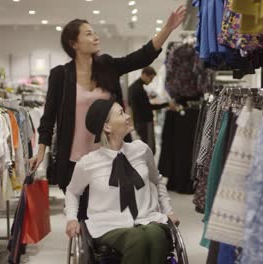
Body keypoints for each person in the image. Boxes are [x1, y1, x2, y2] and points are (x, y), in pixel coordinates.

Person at [29, 6, 186, 221]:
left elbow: (140, 57)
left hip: (110, 158)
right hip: (75, 161)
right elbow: (48, 117)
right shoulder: (61, 75)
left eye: (93, 32)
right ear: (73, 44)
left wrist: (168, 28)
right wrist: (40, 152)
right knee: (83, 217)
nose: (95, 37)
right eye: (88, 33)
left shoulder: (107, 66)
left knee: (116, 217)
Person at [65, 99, 179, 264]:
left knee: (157, 235)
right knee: (137, 238)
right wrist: (71, 218)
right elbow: (73, 191)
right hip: (108, 225)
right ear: (107, 127)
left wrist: (168, 211)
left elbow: (157, 180)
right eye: (121, 113)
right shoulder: (88, 163)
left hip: (147, 218)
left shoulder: (141, 150)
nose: (127, 117)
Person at [128, 66, 175, 154]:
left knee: (143, 146)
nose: (151, 81)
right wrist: (167, 104)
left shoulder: (133, 87)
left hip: (139, 121)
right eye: (151, 78)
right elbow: (148, 107)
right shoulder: (138, 89)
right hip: (144, 121)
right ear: (145, 75)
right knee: (149, 148)